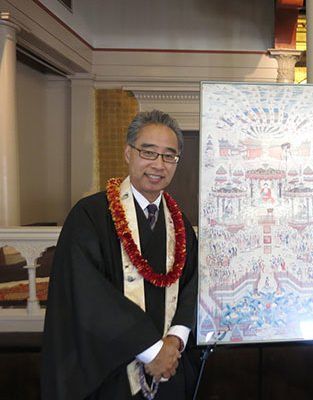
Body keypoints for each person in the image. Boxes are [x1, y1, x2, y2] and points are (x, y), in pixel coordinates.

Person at [41, 110, 198, 399]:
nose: (158, 165)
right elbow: (88, 295)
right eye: (148, 152)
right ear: (128, 153)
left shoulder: (180, 224)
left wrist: (174, 342)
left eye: (169, 156)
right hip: (110, 374)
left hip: (170, 371)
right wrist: (152, 350)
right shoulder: (89, 216)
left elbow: (191, 285)